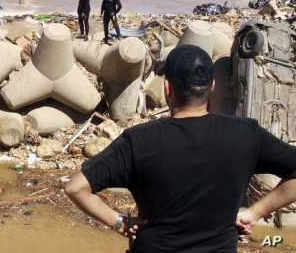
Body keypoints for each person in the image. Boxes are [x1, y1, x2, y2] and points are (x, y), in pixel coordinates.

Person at [65, 45, 296, 253]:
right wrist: (255, 212)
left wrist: (119, 222)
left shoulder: (139, 140)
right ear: (212, 86)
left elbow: (76, 188)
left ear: (167, 88)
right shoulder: (246, 134)